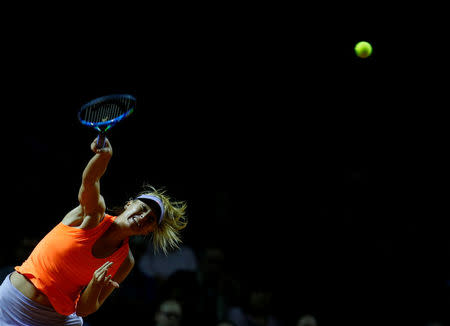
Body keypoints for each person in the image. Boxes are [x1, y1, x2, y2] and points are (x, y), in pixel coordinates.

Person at [0, 137, 188, 326]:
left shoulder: (125, 262)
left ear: (148, 231)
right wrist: (103, 157)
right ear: (129, 204)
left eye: (151, 220)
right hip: (12, 304)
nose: (143, 217)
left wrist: (95, 286)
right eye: (143, 208)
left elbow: (83, 309)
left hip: (54, 320)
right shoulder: (92, 214)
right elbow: (90, 181)